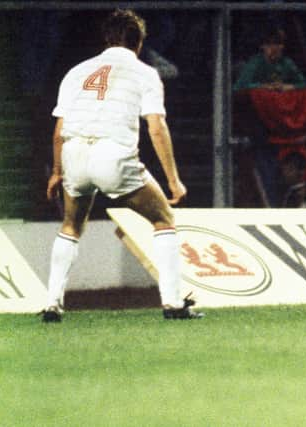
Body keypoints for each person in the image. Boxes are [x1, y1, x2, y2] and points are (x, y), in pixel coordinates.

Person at [41, 9, 203, 322]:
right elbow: (156, 128)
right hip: (112, 155)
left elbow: (59, 130)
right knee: (164, 218)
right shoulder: (144, 73)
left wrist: (57, 172)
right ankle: (173, 304)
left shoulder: (76, 72)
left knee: (71, 226)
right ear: (139, 43)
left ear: (107, 39)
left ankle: (51, 304)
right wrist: (174, 181)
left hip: (74, 153)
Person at [233, 27, 306, 208]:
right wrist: (265, 87)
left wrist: (287, 87)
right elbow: (240, 87)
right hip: (262, 128)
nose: (274, 49)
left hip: (285, 131)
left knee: (294, 167)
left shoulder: (286, 64)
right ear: (263, 46)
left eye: (277, 44)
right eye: (269, 44)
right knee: (266, 167)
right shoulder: (255, 63)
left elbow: (302, 84)